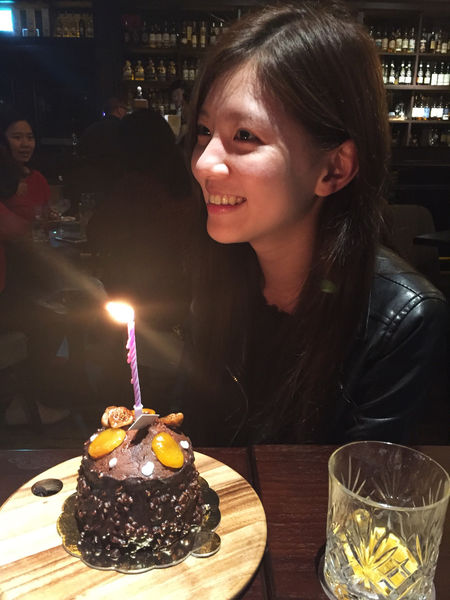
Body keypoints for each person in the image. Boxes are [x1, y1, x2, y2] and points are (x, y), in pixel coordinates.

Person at [171, 1, 449, 446]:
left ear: (334, 169)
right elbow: (192, 439)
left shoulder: (403, 321)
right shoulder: (220, 271)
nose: (204, 164)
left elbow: (365, 481)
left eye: (245, 136)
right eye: (204, 131)